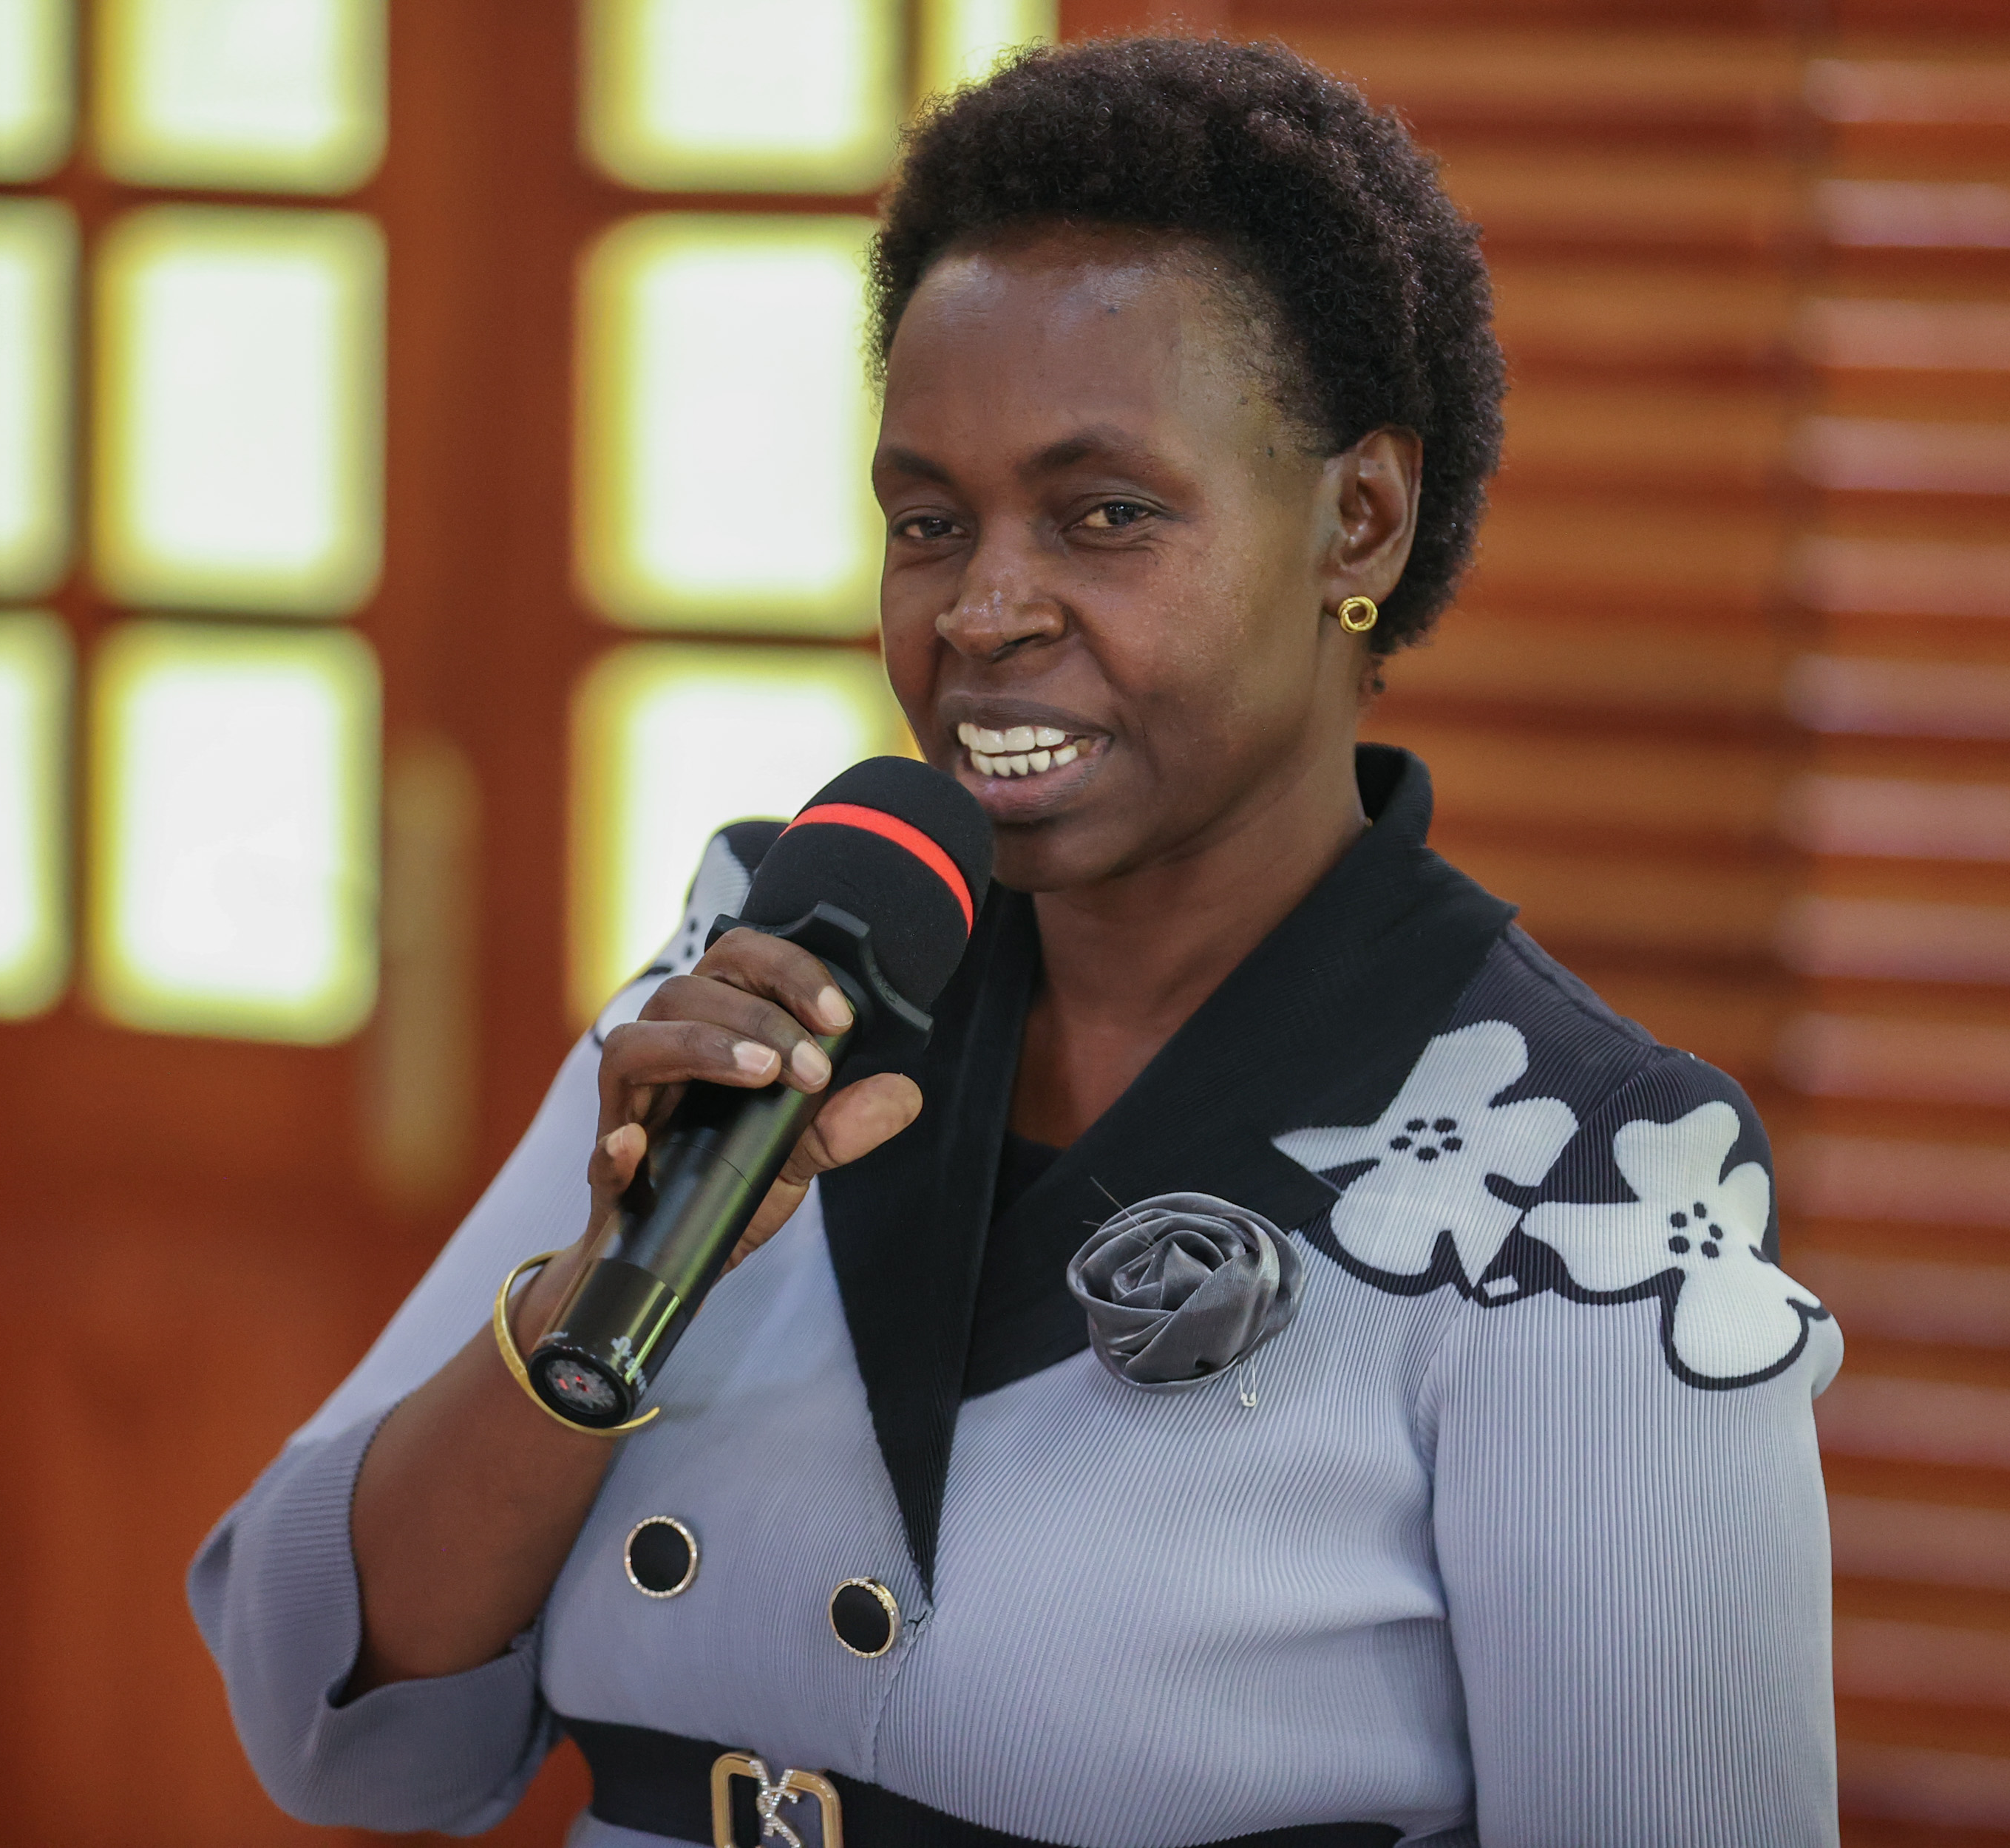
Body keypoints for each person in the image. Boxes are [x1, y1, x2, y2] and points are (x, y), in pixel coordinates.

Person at [191, 36, 1841, 1848]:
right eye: (926, 521)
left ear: (1356, 521)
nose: (979, 610)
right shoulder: (765, 961)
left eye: (1103, 513)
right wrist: (609, 1275)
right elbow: (332, 1725)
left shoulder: (1587, 1190)